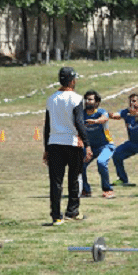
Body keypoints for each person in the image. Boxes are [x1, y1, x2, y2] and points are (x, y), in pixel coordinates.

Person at [43, 67, 92, 225]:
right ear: (72, 81)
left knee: (55, 181)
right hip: (72, 143)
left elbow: (47, 126)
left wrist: (46, 148)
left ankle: (56, 216)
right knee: (74, 179)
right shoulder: (76, 99)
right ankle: (72, 211)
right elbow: (79, 122)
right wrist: (87, 144)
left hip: (54, 143)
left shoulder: (51, 99)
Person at [109, 93, 138, 188]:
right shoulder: (126, 112)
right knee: (116, 154)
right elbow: (114, 116)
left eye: (134, 101)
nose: (131, 103)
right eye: (130, 101)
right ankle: (122, 179)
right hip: (132, 143)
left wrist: (135, 113)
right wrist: (105, 114)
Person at [81, 90, 115, 199]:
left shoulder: (101, 112)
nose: (87, 101)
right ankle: (85, 190)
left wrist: (95, 121)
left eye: (90, 99)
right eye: (86, 99)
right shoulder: (81, 114)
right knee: (80, 165)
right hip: (90, 147)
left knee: (101, 162)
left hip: (106, 145)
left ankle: (108, 190)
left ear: (97, 102)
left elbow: (105, 118)